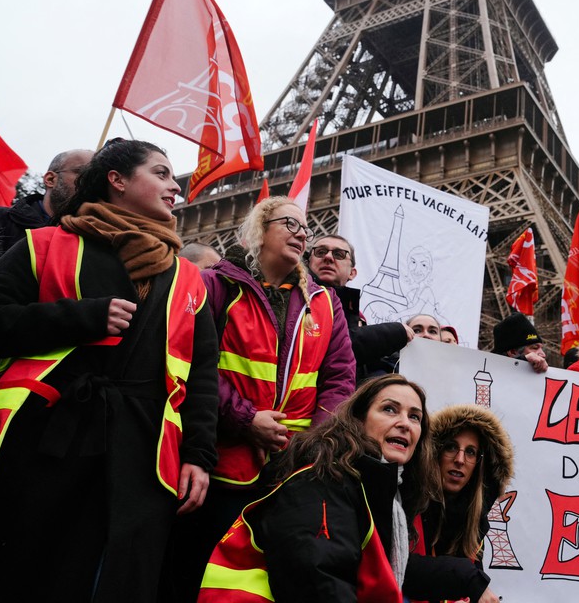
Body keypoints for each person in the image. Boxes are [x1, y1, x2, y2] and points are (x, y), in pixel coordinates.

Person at [0, 139, 218, 602]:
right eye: (160, 173)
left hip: (145, 452)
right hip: (48, 440)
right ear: (116, 180)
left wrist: (198, 454)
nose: (175, 186)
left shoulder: (188, 277)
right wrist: (80, 317)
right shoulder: (43, 244)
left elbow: (202, 374)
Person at [172, 196, 356, 600]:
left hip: (290, 471)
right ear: (260, 228)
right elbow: (195, 363)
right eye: (291, 224)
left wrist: (310, 443)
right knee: (197, 575)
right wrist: (245, 419)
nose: (302, 233)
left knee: (267, 583)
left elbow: (340, 380)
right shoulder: (214, 285)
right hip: (222, 463)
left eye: (305, 228)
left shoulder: (326, 304)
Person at [199, 375, 437, 602]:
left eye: (415, 417)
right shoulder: (320, 479)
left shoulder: (383, 492)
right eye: (389, 409)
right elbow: (318, 580)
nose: (405, 423)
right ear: (358, 419)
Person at [408, 404, 513, 603]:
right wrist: (466, 578)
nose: (459, 459)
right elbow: (397, 568)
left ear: (479, 465)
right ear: (434, 452)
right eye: (451, 447)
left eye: (471, 452)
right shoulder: (407, 502)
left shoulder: (476, 523)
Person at [308, 233, 413, 378]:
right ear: (308, 262)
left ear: (352, 273)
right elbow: (334, 345)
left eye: (339, 254)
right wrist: (395, 333)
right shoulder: (296, 299)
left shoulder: (357, 315)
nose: (328, 257)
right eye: (320, 252)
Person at [0, 148, 93, 263]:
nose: (92, 184)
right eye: (84, 174)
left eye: (97, 179)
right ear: (51, 179)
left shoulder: (95, 244)